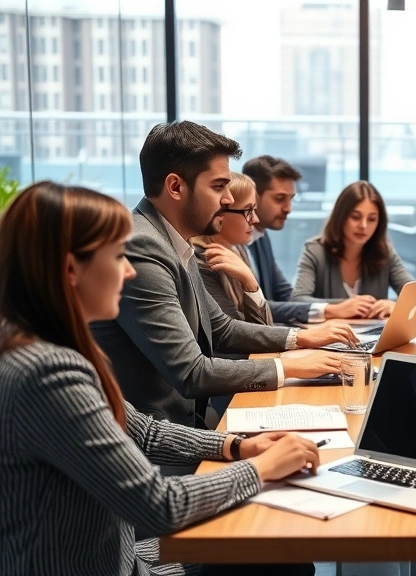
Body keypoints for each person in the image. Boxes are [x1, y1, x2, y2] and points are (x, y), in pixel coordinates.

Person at [0, 181, 318, 576]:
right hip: (118, 566)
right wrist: (261, 468)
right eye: (118, 256)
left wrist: (237, 447)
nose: (130, 269)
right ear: (70, 270)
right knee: (276, 556)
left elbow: (146, 433)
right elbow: (161, 505)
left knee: (269, 545)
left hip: (120, 556)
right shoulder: (46, 374)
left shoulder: (48, 346)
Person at [91, 121, 358, 432]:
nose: (229, 199)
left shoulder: (175, 240)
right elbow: (193, 373)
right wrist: (286, 366)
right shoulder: (143, 247)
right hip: (161, 440)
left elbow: (220, 328)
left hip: (193, 423)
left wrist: (301, 338)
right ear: (176, 187)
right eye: (219, 186)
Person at [242, 155, 358, 324]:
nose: (289, 209)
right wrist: (331, 310)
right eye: (280, 199)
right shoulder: (233, 241)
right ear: (253, 196)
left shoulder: (261, 236)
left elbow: (286, 294)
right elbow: (255, 309)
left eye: (291, 199)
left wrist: (346, 304)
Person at [293, 180, 415, 319]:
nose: (363, 225)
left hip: (374, 338)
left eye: (372, 219)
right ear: (341, 217)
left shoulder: (384, 252)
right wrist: (339, 307)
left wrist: (397, 306)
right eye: (355, 217)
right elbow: (298, 300)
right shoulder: (314, 251)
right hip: (328, 336)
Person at [192, 172, 271, 325]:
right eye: (248, 210)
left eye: (254, 210)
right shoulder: (202, 260)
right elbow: (239, 334)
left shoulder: (237, 249)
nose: (255, 219)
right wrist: (249, 281)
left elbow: (265, 328)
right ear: (220, 212)